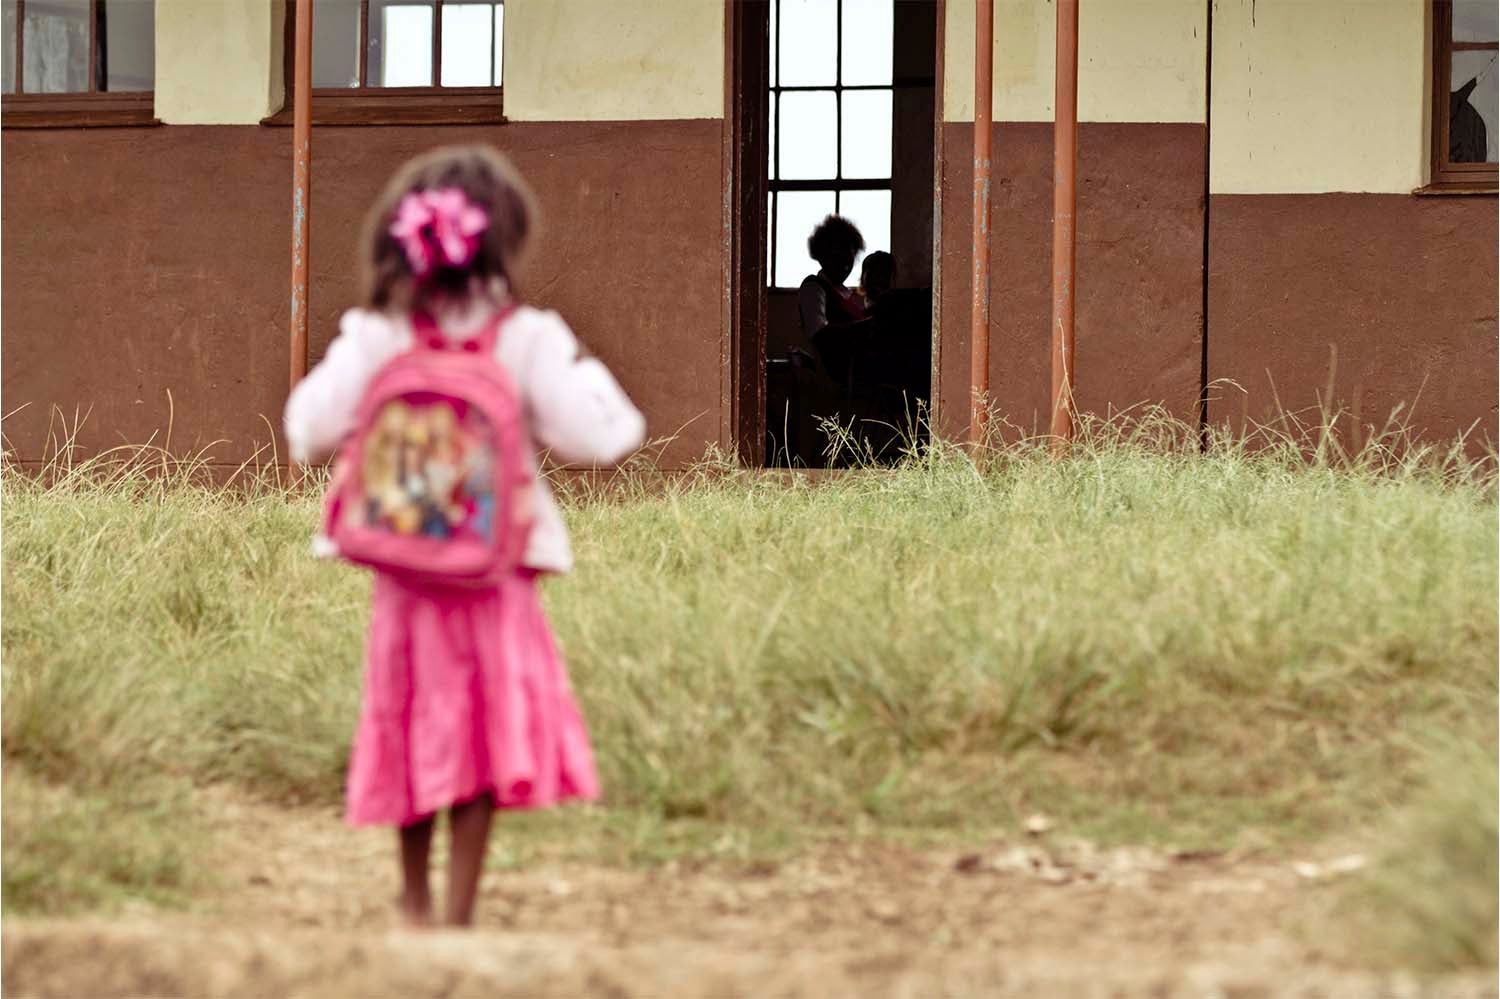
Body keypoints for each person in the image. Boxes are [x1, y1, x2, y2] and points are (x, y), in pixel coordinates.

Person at [283, 145, 645, 928]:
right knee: (480, 731)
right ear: (505, 237)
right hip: (496, 574)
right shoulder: (527, 336)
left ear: (402, 237)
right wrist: (580, 365)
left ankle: (412, 904)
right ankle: (459, 914)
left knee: (410, 718)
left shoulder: (379, 333)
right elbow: (604, 437)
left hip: (404, 574)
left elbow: (306, 428)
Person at [798, 215, 871, 387]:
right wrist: (870, 325)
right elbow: (820, 335)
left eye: (850, 259)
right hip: (846, 372)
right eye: (839, 256)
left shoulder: (847, 295)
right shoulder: (813, 287)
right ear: (822, 256)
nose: (846, 265)